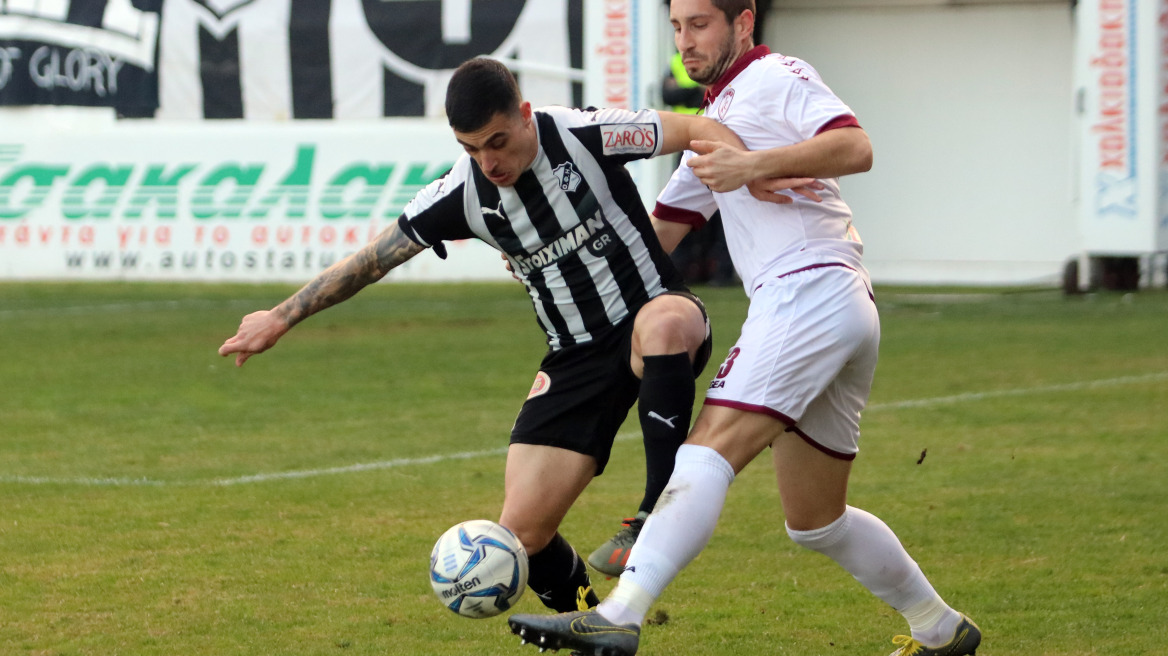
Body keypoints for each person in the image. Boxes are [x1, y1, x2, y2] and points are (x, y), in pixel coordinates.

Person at [507, 2, 982, 656]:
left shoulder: (775, 76)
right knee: (815, 521)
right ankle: (940, 628)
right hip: (832, 304)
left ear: (744, 19)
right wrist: (554, 248)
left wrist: (752, 167)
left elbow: (856, 146)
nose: (686, 41)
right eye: (676, 28)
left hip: (808, 289)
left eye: (700, 23)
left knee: (707, 447)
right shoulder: (713, 120)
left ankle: (622, 614)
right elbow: (657, 237)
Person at [218, 57, 752, 617]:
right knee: (520, 536)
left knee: (663, 324)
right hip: (574, 358)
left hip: (656, 315)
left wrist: (751, 172)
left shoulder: (584, 132)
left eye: (497, 141)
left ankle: (653, 516)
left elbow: (695, 127)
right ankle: (592, 629)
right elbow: (371, 261)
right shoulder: (463, 193)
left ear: (524, 115)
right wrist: (280, 317)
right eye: (471, 148)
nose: (488, 161)